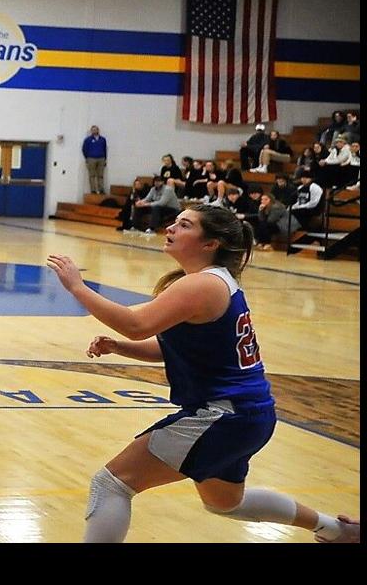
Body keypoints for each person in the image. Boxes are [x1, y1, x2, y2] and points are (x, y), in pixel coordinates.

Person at [45, 205, 359, 544]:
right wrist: (120, 348)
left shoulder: (202, 285)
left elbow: (136, 325)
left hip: (224, 415)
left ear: (210, 243)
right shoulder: (211, 283)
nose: (172, 228)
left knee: (112, 483)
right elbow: (175, 348)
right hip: (249, 416)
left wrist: (78, 287)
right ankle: (338, 531)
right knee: (226, 503)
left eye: (185, 225)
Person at [82, 125, 107, 194]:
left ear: (98, 130)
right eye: (93, 130)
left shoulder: (103, 139)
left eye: (95, 129)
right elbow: (84, 149)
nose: (94, 131)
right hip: (91, 159)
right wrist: (87, 157)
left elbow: (105, 149)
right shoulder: (87, 140)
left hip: (101, 158)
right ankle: (93, 190)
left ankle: (101, 189)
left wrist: (105, 159)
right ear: (91, 131)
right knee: (92, 175)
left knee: (100, 175)